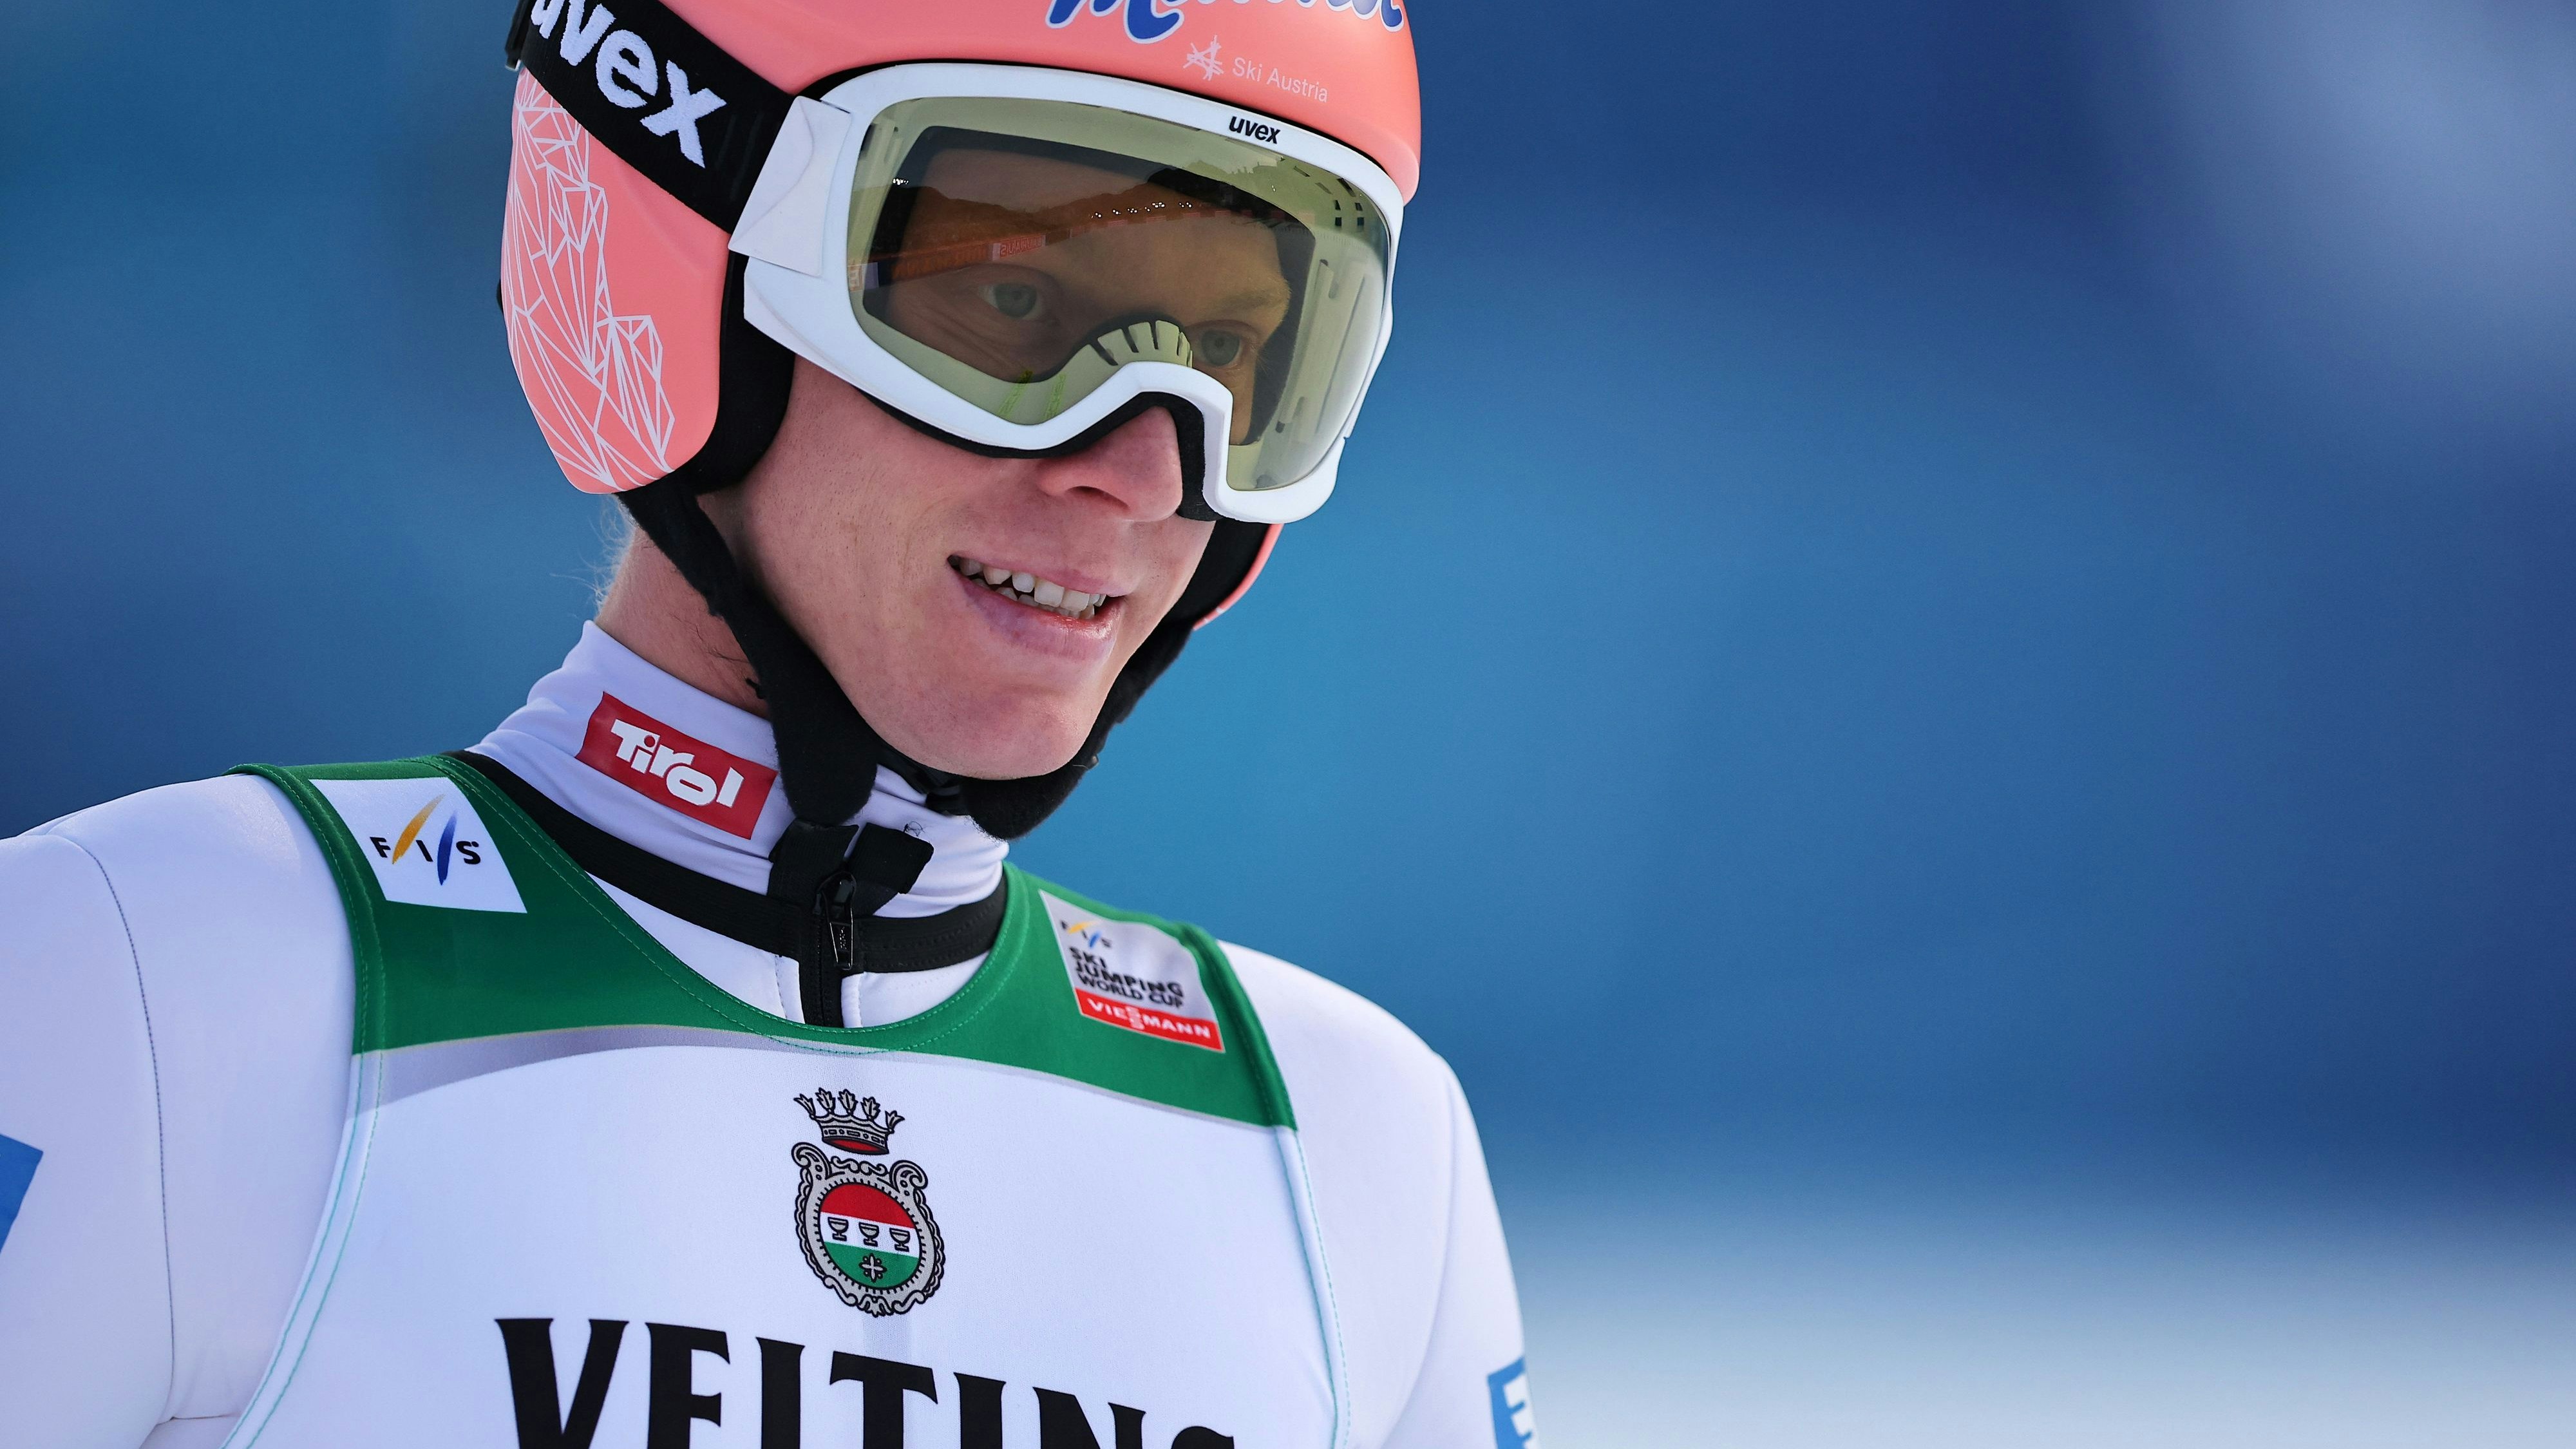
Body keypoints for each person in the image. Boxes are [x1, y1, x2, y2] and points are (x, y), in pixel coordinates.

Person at [0, 1, 1535, 1446]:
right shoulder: (146, 978)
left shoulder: (1348, 1144)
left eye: (1234, 358)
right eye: (1013, 304)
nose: (1136, 472)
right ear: (693, 269)